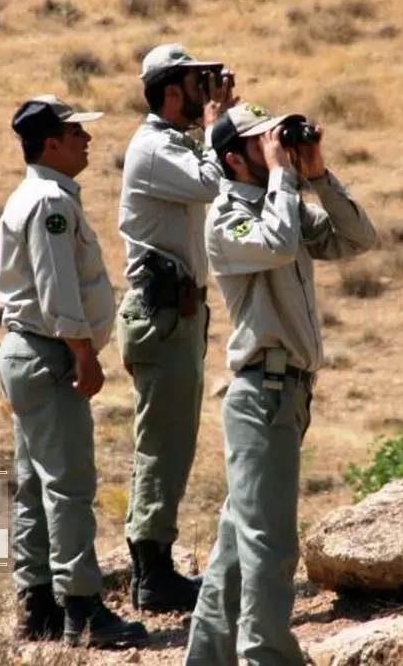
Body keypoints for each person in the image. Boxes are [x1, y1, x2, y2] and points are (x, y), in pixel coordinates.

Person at [184, 102, 378, 666]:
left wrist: (316, 173)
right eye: (260, 142)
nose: (274, 147)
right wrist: (285, 178)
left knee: (236, 546)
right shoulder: (226, 218)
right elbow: (277, 243)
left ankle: (207, 657)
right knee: (270, 546)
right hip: (261, 395)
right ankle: (268, 654)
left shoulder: (284, 202)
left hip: (287, 393)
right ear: (234, 159)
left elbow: (358, 239)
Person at [0, 94, 148, 649]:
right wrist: (84, 352)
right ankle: (82, 609)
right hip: (49, 352)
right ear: (51, 142)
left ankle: (37, 609)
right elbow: (58, 287)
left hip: (26, 351)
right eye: (75, 132)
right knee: (70, 484)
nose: (87, 140)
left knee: (35, 485)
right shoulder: (50, 202)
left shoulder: (32, 195)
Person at [115, 42, 237, 613]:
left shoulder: (173, 146)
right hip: (161, 316)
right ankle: (152, 574)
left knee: (171, 441)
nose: (205, 91)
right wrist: (218, 125)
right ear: (170, 90)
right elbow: (214, 183)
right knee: (164, 444)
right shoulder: (153, 149)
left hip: (176, 314)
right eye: (196, 83)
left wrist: (217, 123)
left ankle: (153, 565)